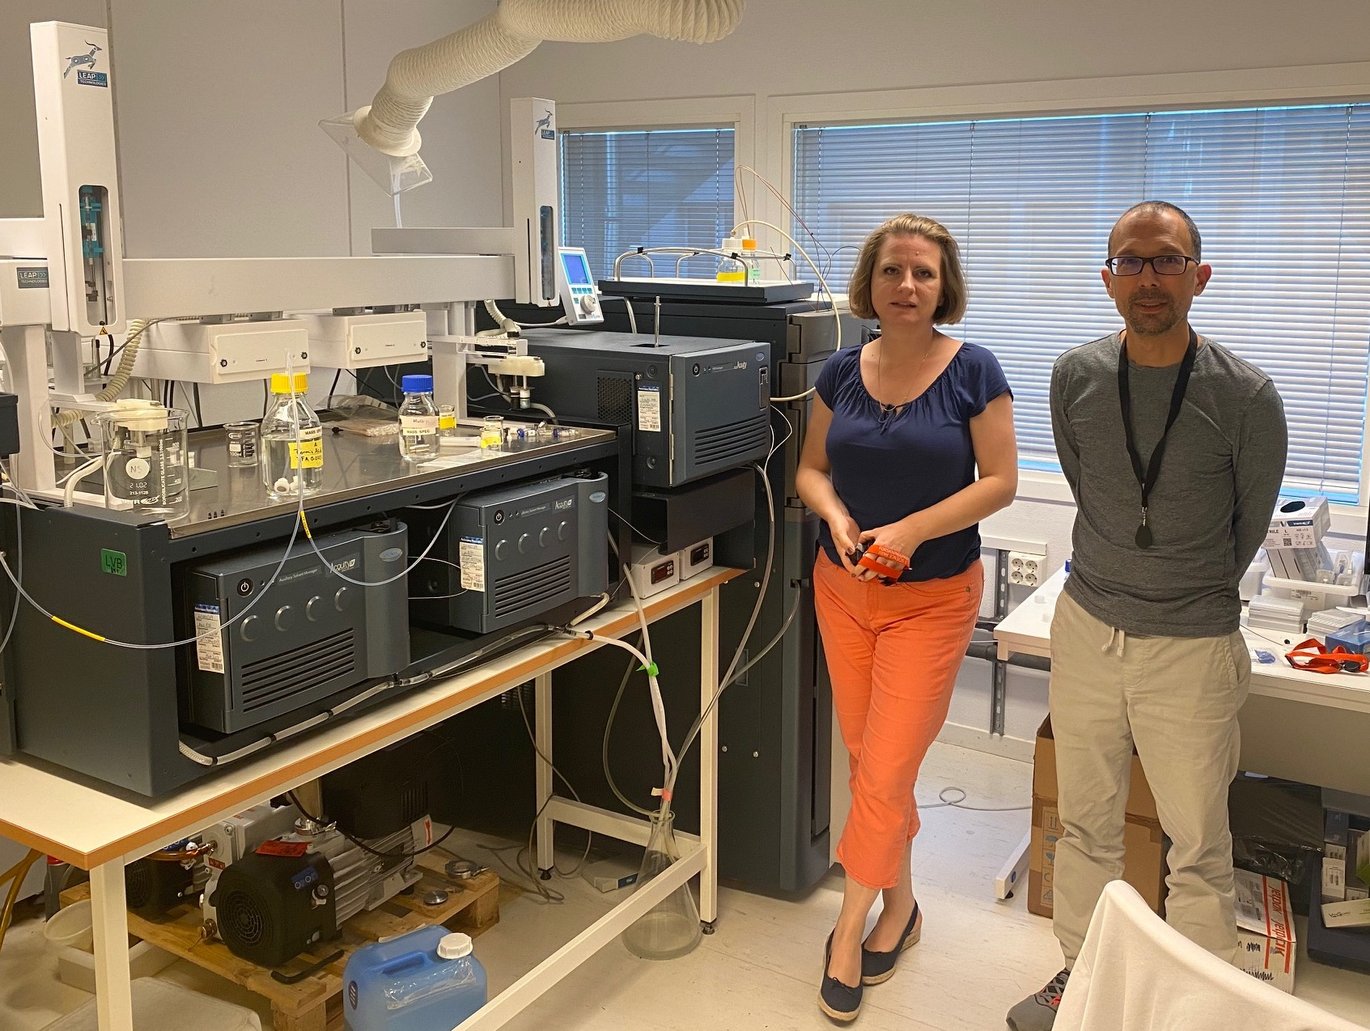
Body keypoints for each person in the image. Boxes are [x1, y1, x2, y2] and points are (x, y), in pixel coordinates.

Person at [1007, 201, 1287, 1031]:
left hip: (1192, 647)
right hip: (1088, 628)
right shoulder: (1076, 377)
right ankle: (1081, 979)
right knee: (1085, 825)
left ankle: (1197, 1008)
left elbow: (1248, 523)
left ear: (1200, 276)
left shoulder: (1245, 396)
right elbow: (1089, 481)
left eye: (1166, 261)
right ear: (1108, 279)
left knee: (1197, 847)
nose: (1148, 278)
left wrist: (1177, 588)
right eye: (1130, 262)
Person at [797, 213, 1017, 1022]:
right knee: (870, 764)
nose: (908, 286)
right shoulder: (841, 371)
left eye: (923, 273)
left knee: (884, 771)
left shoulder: (974, 370)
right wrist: (839, 520)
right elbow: (811, 470)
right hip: (842, 588)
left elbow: (1000, 480)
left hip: (932, 598)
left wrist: (913, 528)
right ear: (872, 282)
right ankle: (905, 905)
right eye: (894, 271)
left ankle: (849, 928)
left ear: (943, 285)